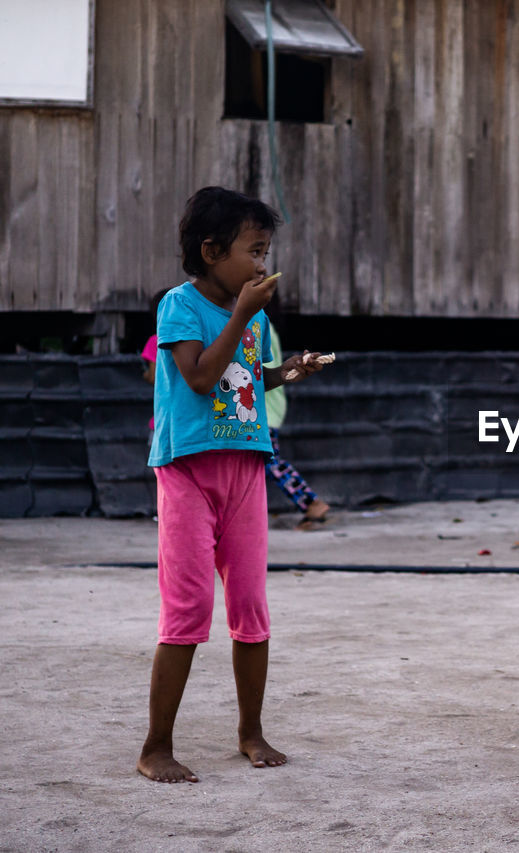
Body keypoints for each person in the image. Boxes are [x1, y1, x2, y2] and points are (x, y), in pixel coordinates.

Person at [138, 186, 329, 783]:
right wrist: (244, 316)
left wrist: (284, 371)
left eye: (266, 250)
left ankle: (251, 732)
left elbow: (241, 378)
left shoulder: (254, 315)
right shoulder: (180, 307)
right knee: (189, 609)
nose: (262, 263)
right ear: (213, 250)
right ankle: (156, 747)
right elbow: (198, 377)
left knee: (250, 606)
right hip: (190, 470)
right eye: (254, 250)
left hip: (246, 467)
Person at [263, 318, 330, 530]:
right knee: (266, 459)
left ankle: (311, 502)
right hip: (266, 402)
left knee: (269, 460)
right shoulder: (264, 324)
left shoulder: (257, 323)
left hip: (264, 405)